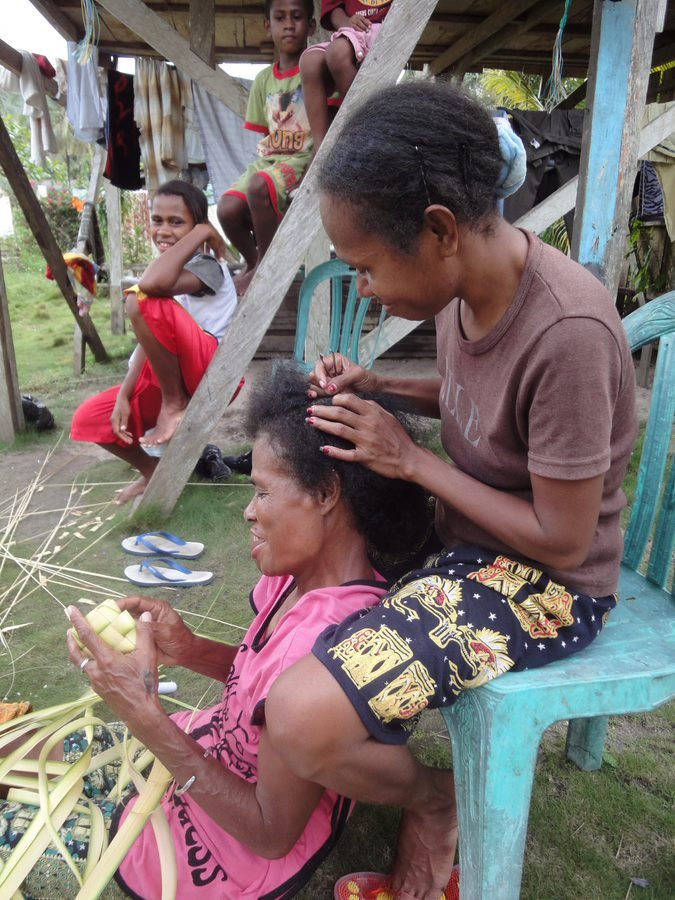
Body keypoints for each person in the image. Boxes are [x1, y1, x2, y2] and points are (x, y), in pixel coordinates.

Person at [259, 81, 638, 898]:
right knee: (300, 570)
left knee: (298, 716)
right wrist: (386, 388)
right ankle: (360, 737)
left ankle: (435, 802)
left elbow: (564, 541)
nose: (361, 287)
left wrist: (411, 462)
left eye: (364, 266)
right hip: (468, 539)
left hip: (543, 584)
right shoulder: (466, 286)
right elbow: (481, 396)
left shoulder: (567, 331)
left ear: (436, 230)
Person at [65, 362, 432, 899]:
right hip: (213, 753)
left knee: (26, 832)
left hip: (234, 844)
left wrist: (148, 719)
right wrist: (188, 649)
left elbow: (270, 833)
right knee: (33, 752)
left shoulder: (335, 644)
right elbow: (260, 686)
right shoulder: (297, 582)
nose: (247, 512)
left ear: (326, 492)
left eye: (261, 492)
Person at [71, 180, 238, 505]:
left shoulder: (208, 266)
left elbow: (149, 288)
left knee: (141, 299)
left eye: (177, 222)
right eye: (157, 220)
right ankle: (152, 473)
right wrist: (124, 394)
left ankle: (173, 404)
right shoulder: (170, 270)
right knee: (89, 418)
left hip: (210, 370)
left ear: (197, 225)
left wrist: (205, 233)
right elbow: (149, 343)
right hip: (172, 372)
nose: (163, 230)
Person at [217, 0, 316, 297]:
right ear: (267, 25)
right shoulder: (263, 80)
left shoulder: (314, 72)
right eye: (280, 18)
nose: (288, 24)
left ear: (310, 25)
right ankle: (255, 262)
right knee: (227, 209)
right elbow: (264, 135)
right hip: (271, 160)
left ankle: (265, 270)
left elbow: (331, 117)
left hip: (302, 158)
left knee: (259, 186)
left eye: (297, 17)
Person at [300, 0, 393, 153]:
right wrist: (347, 22)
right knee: (309, 62)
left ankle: (366, 131)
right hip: (351, 31)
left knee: (337, 53)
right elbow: (333, 9)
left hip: (385, 26)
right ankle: (321, 148)